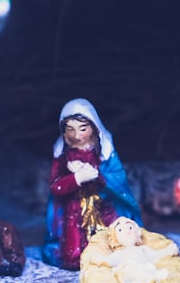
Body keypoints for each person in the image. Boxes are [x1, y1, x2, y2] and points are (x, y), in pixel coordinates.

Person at [43, 98, 140, 270]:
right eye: (70, 129)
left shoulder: (105, 151)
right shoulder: (63, 155)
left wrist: (97, 176)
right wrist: (76, 179)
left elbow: (119, 178)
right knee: (74, 252)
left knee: (115, 243)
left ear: (93, 128)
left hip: (104, 206)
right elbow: (55, 186)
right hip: (75, 210)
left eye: (83, 129)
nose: (77, 136)